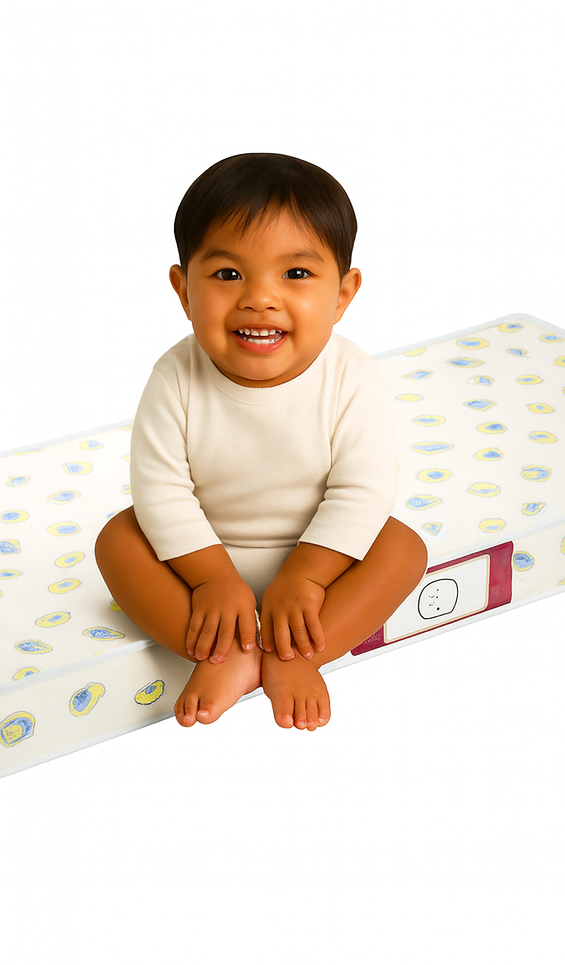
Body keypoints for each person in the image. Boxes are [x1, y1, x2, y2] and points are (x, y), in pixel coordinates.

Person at [95, 153, 427, 732]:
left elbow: (362, 490)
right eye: (228, 275)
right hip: (197, 563)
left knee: (401, 547)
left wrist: (307, 575)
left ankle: (295, 656)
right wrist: (212, 577)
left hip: (324, 564)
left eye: (295, 274)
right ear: (183, 290)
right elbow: (161, 493)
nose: (260, 298)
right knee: (119, 539)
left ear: (343, 293)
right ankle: (226, 654)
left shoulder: (351, 376)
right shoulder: (175, 377)